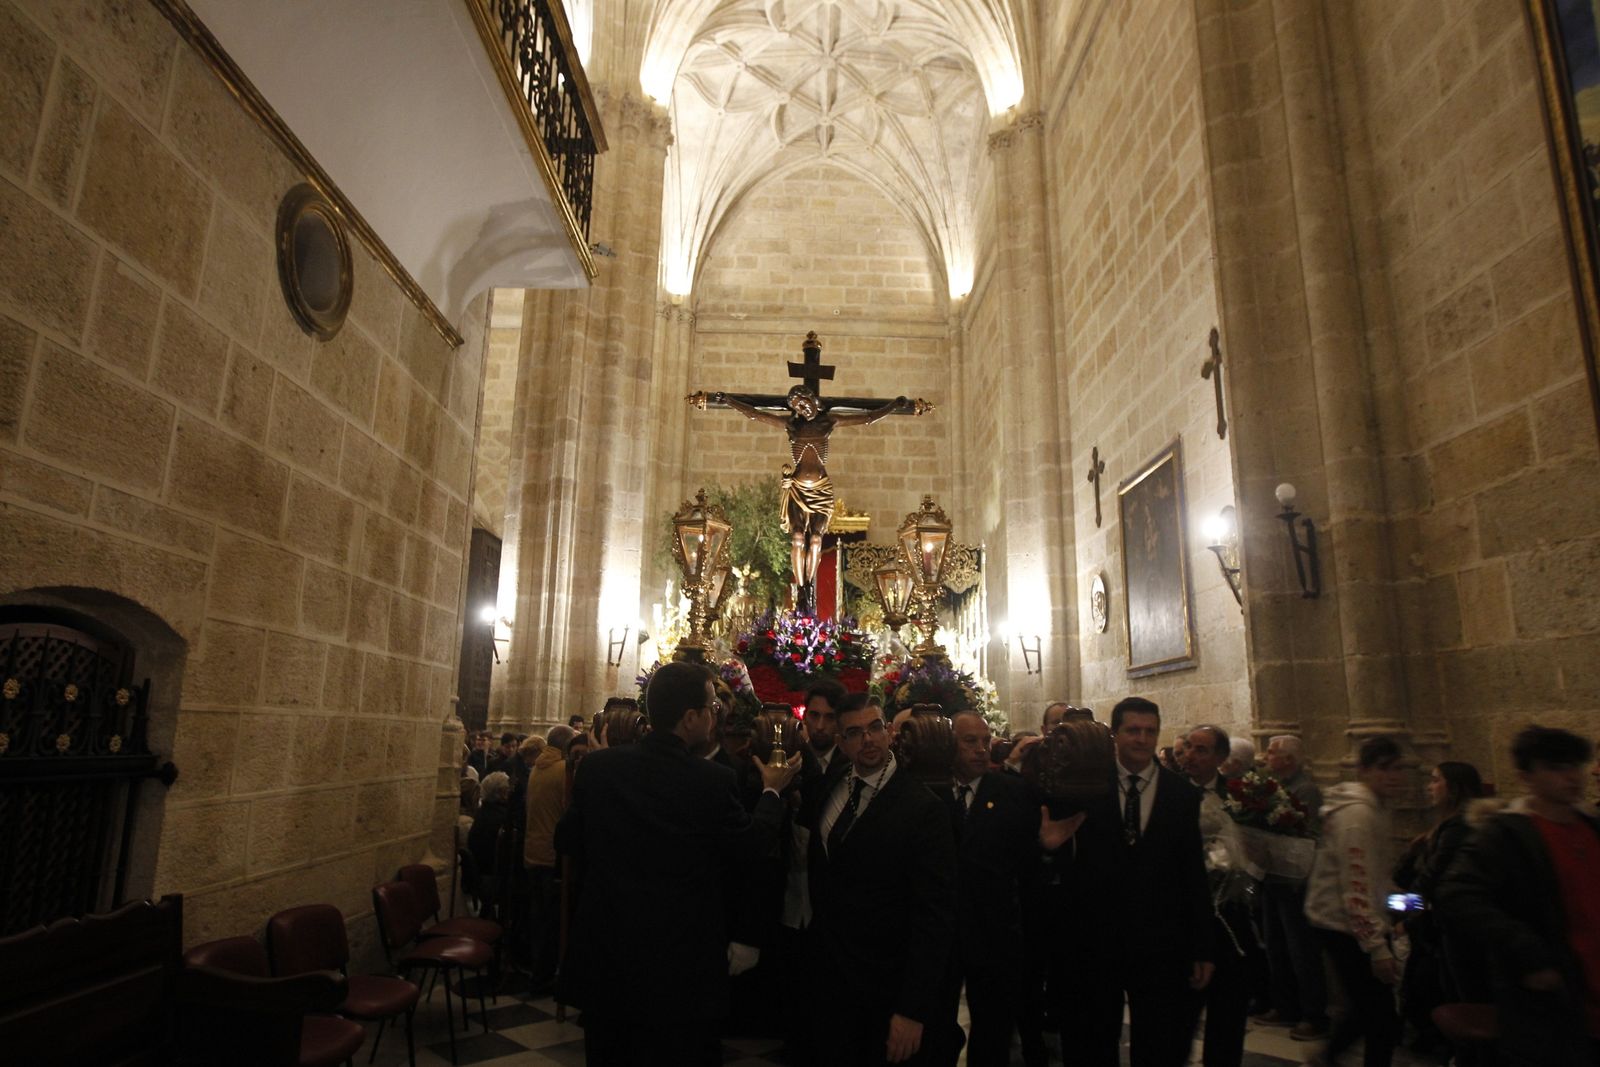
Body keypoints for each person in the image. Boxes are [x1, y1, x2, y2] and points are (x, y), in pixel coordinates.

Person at [554, 660, 801, 1066]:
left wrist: (598, 780)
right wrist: (771, 792)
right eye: (711, 708)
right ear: (691, 718)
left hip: (609, 961)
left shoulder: (600, 768)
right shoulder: (711, 780)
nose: (715, 715)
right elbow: (752, 845)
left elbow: (567, 840)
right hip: (680, 970)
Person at [687, 359, 929, 611]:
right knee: (797, 536)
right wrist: (728, 401)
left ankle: (807, 585)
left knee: (815, 539)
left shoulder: (829, 422)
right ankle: (802, 590)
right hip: (798, 491)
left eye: (804, 403)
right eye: (797, 407)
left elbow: (866, 418)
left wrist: (892, 406)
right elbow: (757, 415)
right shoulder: (792, 425)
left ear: (813, 400)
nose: (803, 409)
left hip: (822, 490)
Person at [1049, 696, 1212, 1067]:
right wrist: (1050, 848)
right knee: (1093, 1037)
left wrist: (1203, 945)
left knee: (1158, 1040)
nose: (1141, 739)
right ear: (1115, 734)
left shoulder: (1181, 794)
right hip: (1097, 937)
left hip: (1160, 940)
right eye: (1133, 730)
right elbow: (1066, 859)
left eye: (1149, 731)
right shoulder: (1086, 786)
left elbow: (1192, 870)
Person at [806, 694, 957, 1064]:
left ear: (889, 731)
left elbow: (933, 916)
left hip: (887, 983)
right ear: (842, 741)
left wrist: (913, 1009)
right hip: (834, 981)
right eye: (855, 733)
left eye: (874, 728)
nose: (868, 740)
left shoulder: (922, 808)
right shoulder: (834, 785)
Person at [1439, 727, 1600, 1065]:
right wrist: (1528, 953)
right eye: (1556, 767)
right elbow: (1458, 894)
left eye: (1575, 766)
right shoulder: (1507, 834)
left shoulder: (1591, 827)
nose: (1572, 777)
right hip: (1552, 997)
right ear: (1527, 775)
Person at [943, 710, 1078, 1067]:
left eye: (985, 742)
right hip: (944, 931)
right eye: (969, 741)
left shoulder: (1011, 792)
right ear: (949, 744)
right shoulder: (935, 791)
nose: (980, 750)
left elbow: (1027, 862)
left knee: (992, 1032)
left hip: (994, 932)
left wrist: (1046, 848)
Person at [1303, 735, 1406, 1067]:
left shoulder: (1373, 807)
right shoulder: (1358, 815)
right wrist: (1376, 947)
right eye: (1384, 769)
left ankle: (1326, 1057)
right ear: (1364, 770)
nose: (1393, 776)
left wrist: (1409, 905)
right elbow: (1356, 887)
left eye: (1398, 769)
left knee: (1370, 1011)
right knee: (1379, 1016)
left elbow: (1378, 877)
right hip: (1342, 924)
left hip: (1352, 922)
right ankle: (1327, 1057)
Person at [1391, 761, 1486, 1052]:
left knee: (1429, 989)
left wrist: (1404, 914)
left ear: (1455, 788)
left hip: (1444, 924)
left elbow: (1431, 884)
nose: (1430, 787)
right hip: (1432, 918)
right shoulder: (1448, 825)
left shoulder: (1457, 828)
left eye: (1436, 780)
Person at [1183, 725, 1251, 1067]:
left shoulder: (1242, 797)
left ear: (1221, 758)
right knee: (1181, 1016)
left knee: (1229, 1010)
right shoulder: (1171, 793)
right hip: (1184, 919)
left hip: (1230, 916)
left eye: (1202, 750)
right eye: (1189, 748)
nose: (1191, 756)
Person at [1255, 735, 1328, 1041]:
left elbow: (1306, 832)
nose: (1265, 756)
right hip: (1273, 877)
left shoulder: (1306, 790)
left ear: (1288, 759)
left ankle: (1313, 1014)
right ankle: (1285, 1005)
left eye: (1271, 752)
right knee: (1276, 944)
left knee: (1301, 949)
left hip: (1296, 881)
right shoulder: (1273, 787)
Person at [524, 724, 577, 987]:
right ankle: (545, 974)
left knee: (538, 916)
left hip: (533, 850)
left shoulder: (537, 767)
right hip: (551, 855)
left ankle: (537, 969)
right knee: (552, 919)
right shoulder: (562, 770)